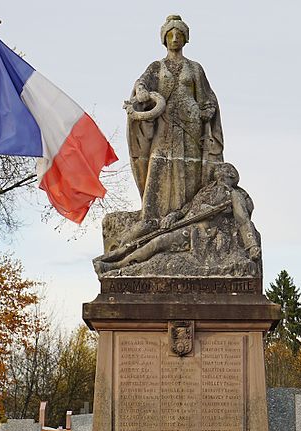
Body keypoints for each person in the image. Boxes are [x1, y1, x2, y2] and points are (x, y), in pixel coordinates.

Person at [126, 15, 224, 229]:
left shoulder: (195, 68)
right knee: (159, 163)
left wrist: (208, 109)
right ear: (164, 39)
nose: (175, 38)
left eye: (179, 34)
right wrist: (141, 91)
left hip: (191, 125)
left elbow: (207, 96)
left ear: (185, 38)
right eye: (170, 35)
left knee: (190, 170)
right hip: (165, 124)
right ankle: (151, 218)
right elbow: (141, 83)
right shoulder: (156, 67)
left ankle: (185, 218)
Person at [95, 163, 260, 273]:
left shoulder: (234, 194)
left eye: (222, 167)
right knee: (148, 236)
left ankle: (118, 266)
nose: (217, 169)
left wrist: (251, 246)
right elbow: (187, 208)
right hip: (182, 224)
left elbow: (243, 220)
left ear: (231, 173)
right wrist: (174, 215)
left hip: (199, 233)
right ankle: (118, 257)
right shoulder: (206, 190)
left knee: (157, 243)